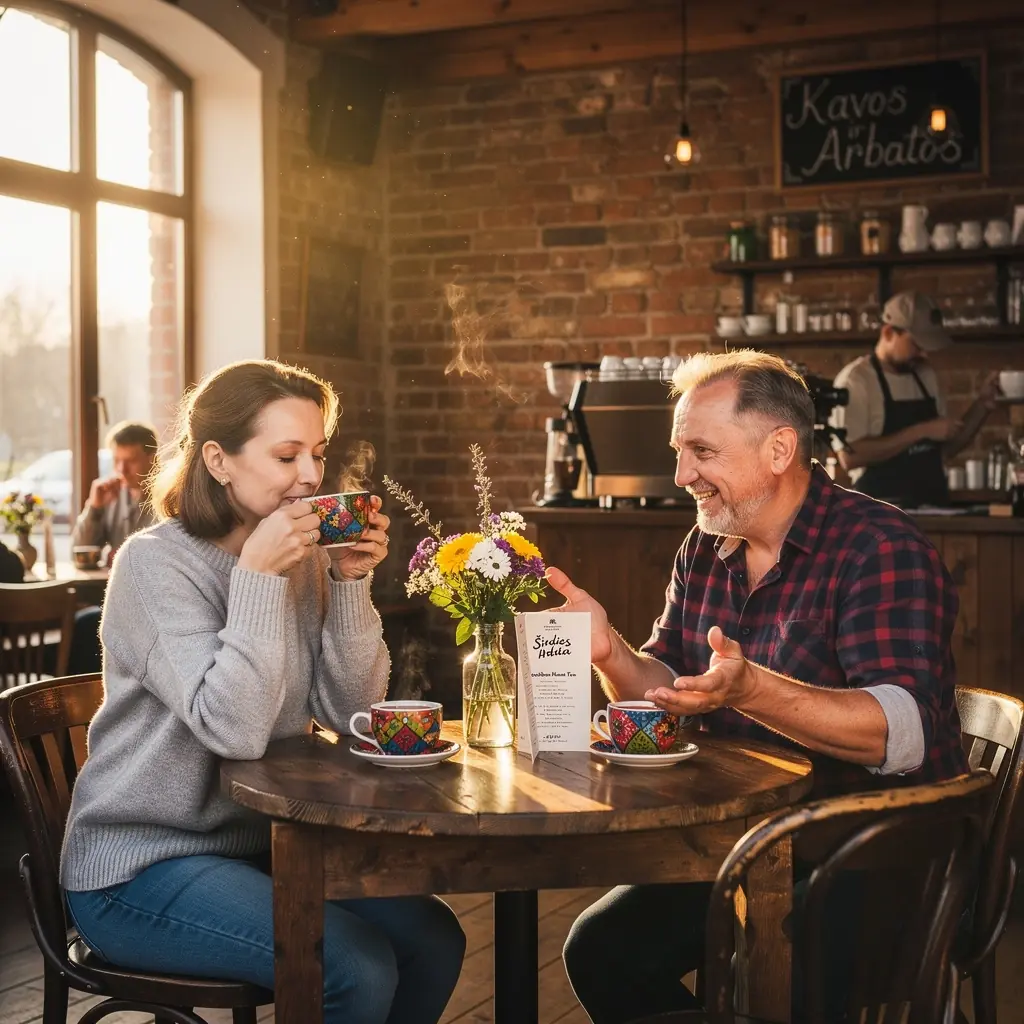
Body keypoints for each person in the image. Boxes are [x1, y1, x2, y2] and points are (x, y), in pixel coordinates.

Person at [551, 349, 967, 1023]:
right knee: (602, 950)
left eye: (702, 452)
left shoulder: (879, 545)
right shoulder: (704, 546)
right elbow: (670, 688)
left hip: (878, 854)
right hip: (750, 842)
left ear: (779, 449)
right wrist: (609, 651)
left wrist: (750, 690)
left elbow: (902, 733)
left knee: (780, 976)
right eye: (679, 452)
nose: (682, 475)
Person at [60, 359, 465, 1023]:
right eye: (286, 456)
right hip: (140, 867)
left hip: (265, 847)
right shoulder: (154, 566)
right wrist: (256, 578)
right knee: (354, 967)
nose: (310, 476)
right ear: (218, 460)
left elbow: (351, 712)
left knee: (433, 940)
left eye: (317, 454)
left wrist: (348, 583)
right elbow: (235, 730)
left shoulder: (298, 558)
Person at [830, 291, 1000, 508]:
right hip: (880, 514)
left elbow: (944, 450)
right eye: (917, 345)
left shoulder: (925, 375)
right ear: (889, 332)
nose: (924, 354)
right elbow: (850, 457)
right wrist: (922, 431)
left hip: (933, 508)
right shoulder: (856, 380)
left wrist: (982, 405)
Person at [70, 419, 160, 554]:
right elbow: (79, 551)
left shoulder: (170, 498)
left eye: (131, 461)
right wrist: (94, 508)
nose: (122, 469)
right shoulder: (110, 494)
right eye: (116, 460)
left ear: (152, 459)